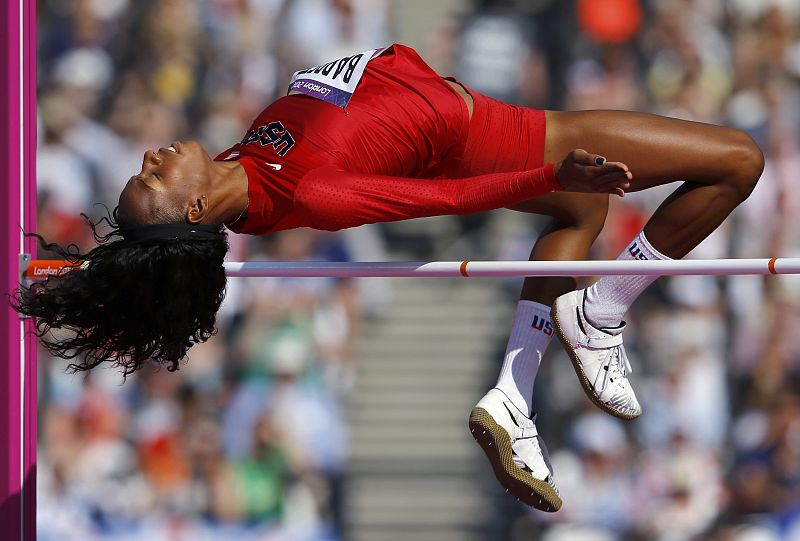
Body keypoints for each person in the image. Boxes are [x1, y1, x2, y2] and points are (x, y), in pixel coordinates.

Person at [17, 44, 764, 512]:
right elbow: (446, 199)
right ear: (190, 207)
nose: (150, 159)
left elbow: (156, 245)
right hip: (505, 138)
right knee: (736, 160)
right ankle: (602, 313)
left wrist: (89, 267)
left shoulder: (246, 159)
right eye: (153, 180)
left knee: (577, 218)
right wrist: (546, 168)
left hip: (491, 119)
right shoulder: (303, 192)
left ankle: (515, 395)